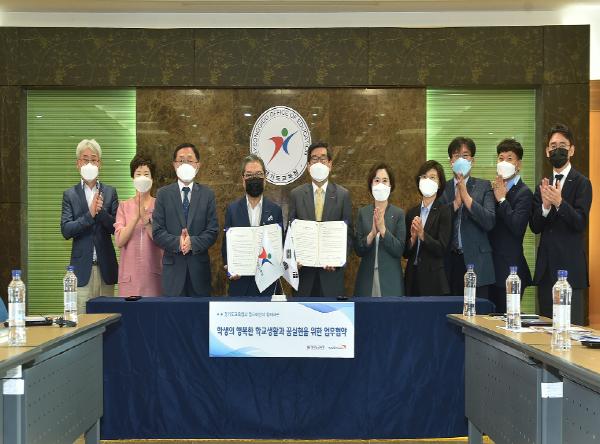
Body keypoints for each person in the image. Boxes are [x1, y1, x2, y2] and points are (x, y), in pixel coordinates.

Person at [530, 124, 592, 325]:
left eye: (563, 146)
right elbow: (535, 227)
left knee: (571, 330)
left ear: (571, 150)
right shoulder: (543, 185)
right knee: (545, 331)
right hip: (546, 271)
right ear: (547, 151)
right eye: (553, 146)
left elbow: (580, 222)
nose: (557, 150)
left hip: (570, 271)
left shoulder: (582, 183)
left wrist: (559, 203)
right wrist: (545, 207)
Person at [152, 143, 219, 297]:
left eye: (190, 160)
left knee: (199, 313)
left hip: (199, 273)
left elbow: (212, 231)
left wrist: (192, 243)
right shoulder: (163, 194)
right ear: (174, 165)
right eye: (181, 160)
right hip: (173, 273)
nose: (185, 164)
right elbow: (157, 231)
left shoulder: (207, 195)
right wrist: (179, 242)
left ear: (198, 165)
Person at [288, 141, 353, 297]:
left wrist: (338, 260)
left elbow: (349, 234)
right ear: (308, 166)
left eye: (323, 158)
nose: (319, 163)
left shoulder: (343, 195)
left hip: (331, 276)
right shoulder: (296, 195)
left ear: (330, 164)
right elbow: (289, 233)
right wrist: (292, 259)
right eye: (314, 159)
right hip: (304, 276)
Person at [60, 139, 118, 313]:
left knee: (108, 319)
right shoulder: (70, 195)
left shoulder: (110, 192)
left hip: (105, 268)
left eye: (94, 159)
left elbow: (116, 228)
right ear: (78, 164)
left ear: (100, 164)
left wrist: (101, 213)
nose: (90, 163)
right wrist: (89, 215)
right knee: (82, 319)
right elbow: (66, 230)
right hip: (81, 270)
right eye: (85, 159)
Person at [439, 137, 496, 299]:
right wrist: (455, 204)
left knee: (479, 311)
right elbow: (438, 222)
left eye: (465, 155)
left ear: (472, 161)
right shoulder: (443, 189)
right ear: (451, 161)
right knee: (450, 310)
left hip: (477, 262)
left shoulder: (484, 186)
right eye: (457, 156)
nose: (461, 159)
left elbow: (489, 221)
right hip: (450, 262)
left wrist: (466, 197)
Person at [222, 154, 283, 296]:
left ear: (265, 179)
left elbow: (280, 246)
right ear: (243, 180)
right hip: (240, 284)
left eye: (258, 174)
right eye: (249, 175)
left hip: (268, 286)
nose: (254, 179)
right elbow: (226, 246)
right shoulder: (232, 210)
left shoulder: (275, 210)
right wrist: (229, 267)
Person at [489, 139, 533, 312]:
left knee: (507, 320)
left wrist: (502, 199)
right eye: (501, 158)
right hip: (490, 269)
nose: (504, 163)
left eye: (509, 158)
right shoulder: (490, 189)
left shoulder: (524, 193)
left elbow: (517, 226)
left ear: (518, 164)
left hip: (510, 270)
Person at [114, 155, 163, 297]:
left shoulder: (160, 205)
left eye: (146, 174)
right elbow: (119, 241)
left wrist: (145, 219)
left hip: (153, 278)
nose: (142, 178)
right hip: (129, 278)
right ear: (132, 178)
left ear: (152, 179)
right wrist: (135, 217)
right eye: (138, 174)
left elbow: (161, 240)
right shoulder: (123, 206)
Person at [353, 164, 404, 296]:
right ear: (371, 185)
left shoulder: (398, 214)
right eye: (377, 180)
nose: (381, 184)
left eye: (385, 180)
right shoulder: (363, 213)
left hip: (390, 281)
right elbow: (358, 250)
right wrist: (372, 234)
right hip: (366, 280)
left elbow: (399, 250)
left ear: (390, 185)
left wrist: (383, 230)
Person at [404, 160, 452, 296]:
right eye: (424, 177)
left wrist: (422, 234)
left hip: (433, 280)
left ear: (439, 183)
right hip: (412, 277)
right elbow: (405, 253)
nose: (427, 181)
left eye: (432, 177)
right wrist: (413, 239)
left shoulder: (444, 211)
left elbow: (442, 248)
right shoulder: (412, 212)